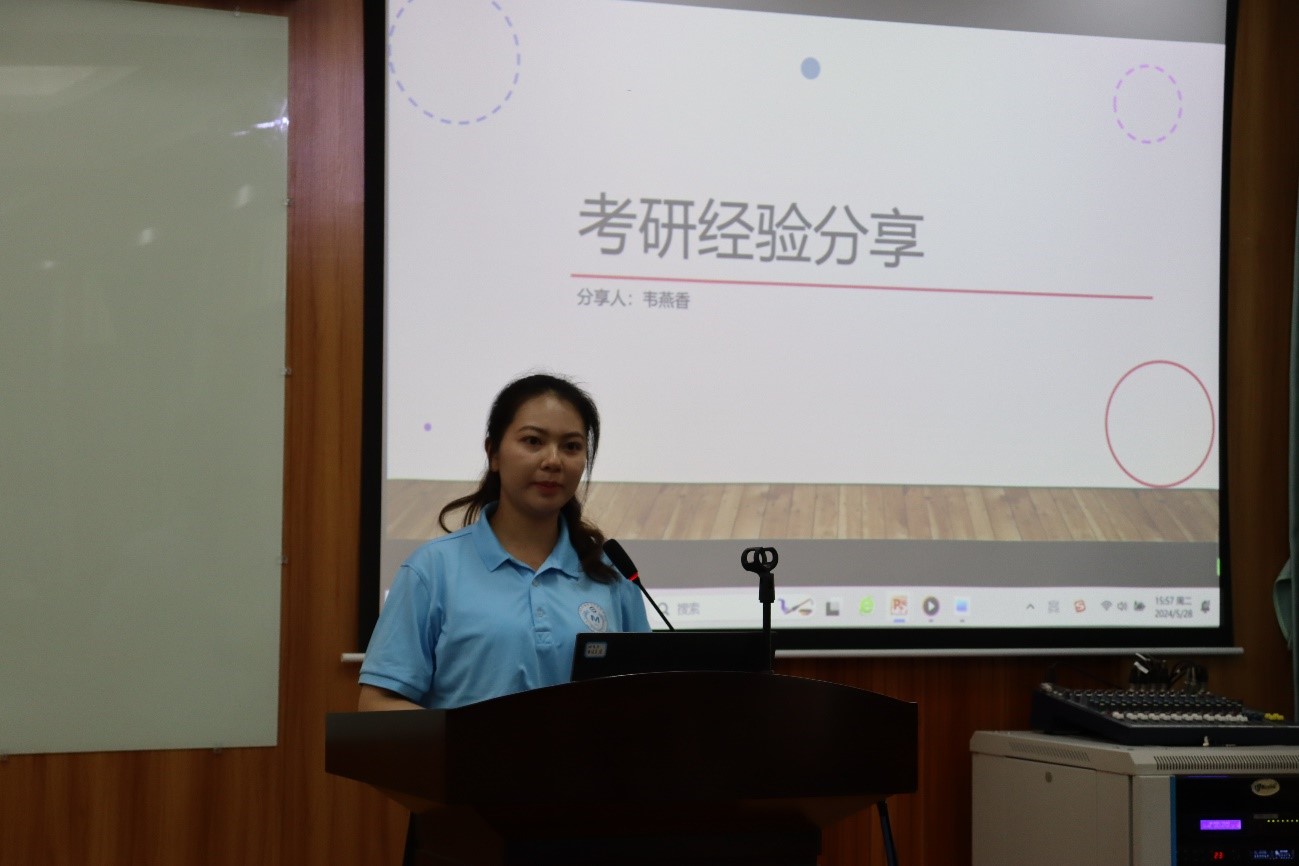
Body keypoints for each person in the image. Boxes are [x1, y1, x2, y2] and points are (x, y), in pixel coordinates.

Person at [358, 372, 651, 712]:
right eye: (533, 441)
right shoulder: (432, 570)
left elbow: (647, 693)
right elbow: (375, 702)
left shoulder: (610, 573)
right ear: (493, 453)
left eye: (571, 446)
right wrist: (464, 737)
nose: (553, 460)